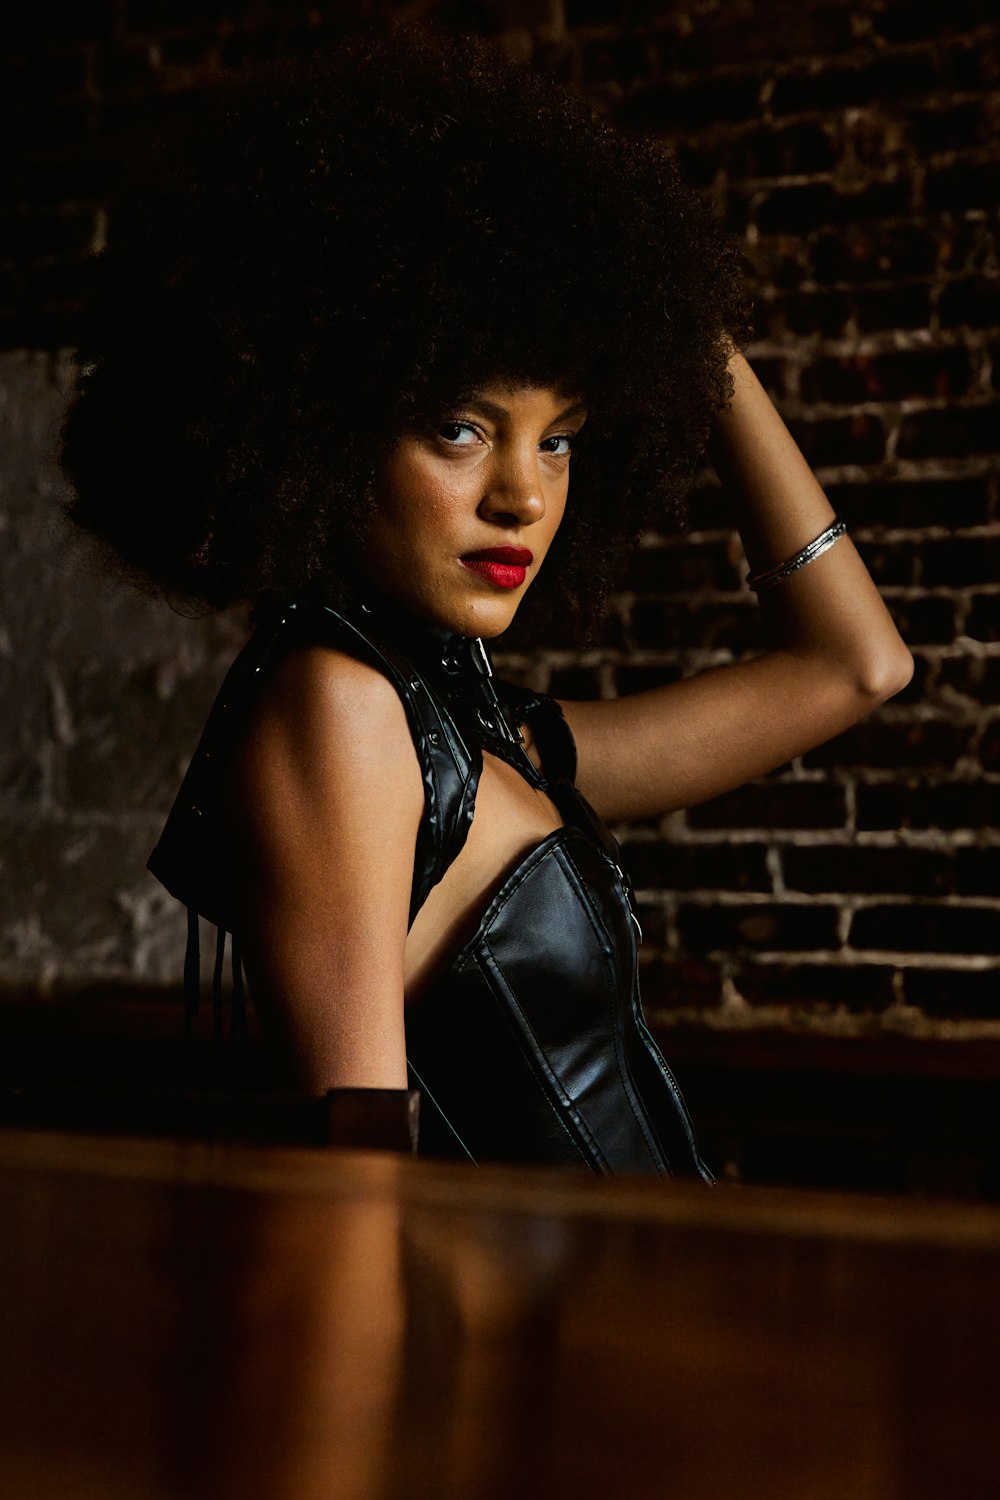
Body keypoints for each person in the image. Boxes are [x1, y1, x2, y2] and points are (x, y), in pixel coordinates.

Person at [60, 25, 912, 1175]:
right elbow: (352, 1182)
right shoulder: (340, 707)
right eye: (461, 428)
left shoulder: (480, 735)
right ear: (325, 427)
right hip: (532, 1351)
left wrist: (690, 339)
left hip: (633, 1322)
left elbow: (857, 666)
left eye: (559, 439)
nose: (521, 495)